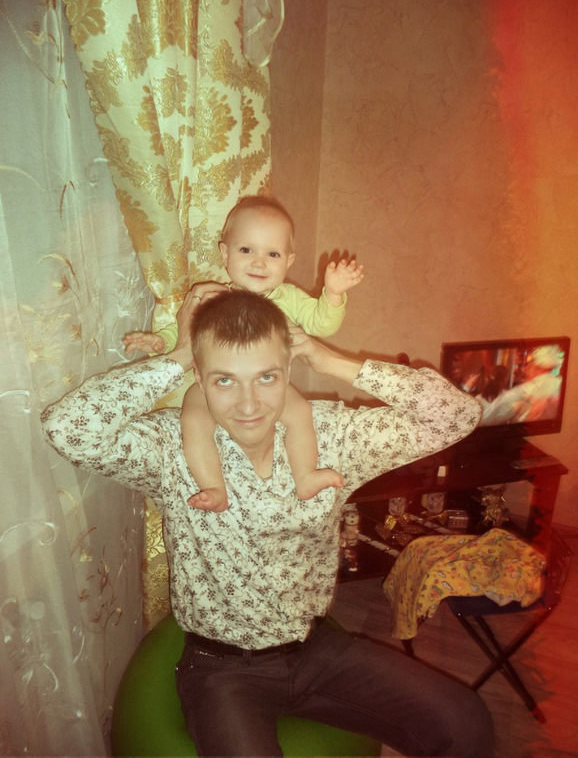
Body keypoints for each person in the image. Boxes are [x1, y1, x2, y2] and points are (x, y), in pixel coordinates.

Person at [42, 290, 493, 758]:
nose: (248, 404)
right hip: (222, 670)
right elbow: (67, 428)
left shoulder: (330, 435)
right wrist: (179, 354)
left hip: (316, 650)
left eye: (266, 377)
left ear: (289, 370)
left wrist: (331, 360)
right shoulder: (171, 448)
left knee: (465, 722)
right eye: (224, 380)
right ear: (200, 377)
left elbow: (457, 415)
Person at [123, 195, 365, 509]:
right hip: (210, 386)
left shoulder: (288, 298)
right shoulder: (213, 298)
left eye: (273, 254)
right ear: (225, 253)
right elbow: (186, 333)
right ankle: (214, 487)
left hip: (268, 386)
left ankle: (305, 475)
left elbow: (322, 324)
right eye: (246, 250)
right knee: (193, 419)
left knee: (300, 412)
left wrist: (332, 294)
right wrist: (160, 340)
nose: (259, 262)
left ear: (289, 261)